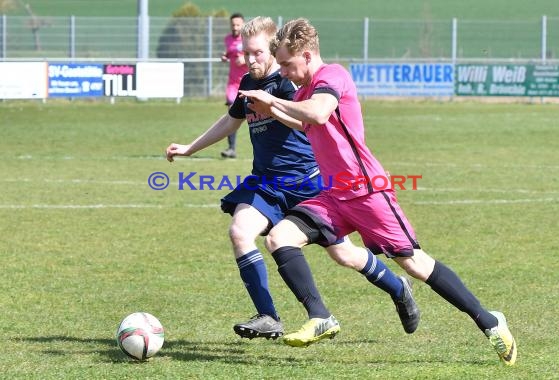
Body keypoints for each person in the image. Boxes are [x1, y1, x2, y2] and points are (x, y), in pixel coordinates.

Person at [240, 18, 517, 365]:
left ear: (307, 55)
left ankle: (489, 321)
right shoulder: (302, 91)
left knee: (414, 263)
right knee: (279, 237)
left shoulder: (332, 76)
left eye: (286, 63)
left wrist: (272, 100)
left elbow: (320, 114)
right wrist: (274, 110)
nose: (282, 70)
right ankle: (320, 317)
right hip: (332, 195)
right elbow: (306, 122)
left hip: (367, 191)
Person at [165, 16, 419, 342]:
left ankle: (398, 287)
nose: (251, 59)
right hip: (267, 183)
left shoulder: (291, 85)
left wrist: (274, 107)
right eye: (246, 52)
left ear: (273, 50)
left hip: (307, 182)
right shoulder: (249, 82)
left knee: (343, 254)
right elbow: (230, 122)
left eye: (257, 52)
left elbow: (313, 116)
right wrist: (190, 148)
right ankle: (269, 316)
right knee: (240, 231)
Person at [220, 13, 249, 159]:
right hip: (232, 84)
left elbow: (257, 55)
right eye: (233, 25)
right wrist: (225, 56)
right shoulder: (228, 39)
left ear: (243, 25)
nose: (235, 27)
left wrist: (244, 60)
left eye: (238, 24)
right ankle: (231, 148)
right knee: (232, 113)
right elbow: (229, 53)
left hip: (247, 82)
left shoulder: (248, 39)